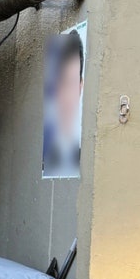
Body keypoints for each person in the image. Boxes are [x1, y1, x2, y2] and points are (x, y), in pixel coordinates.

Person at [43, 29, 84, 178]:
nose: (65, 97)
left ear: (80, 87)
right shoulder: (48, 156)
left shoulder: (82, 155)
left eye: (71, 84)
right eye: (60, 84)